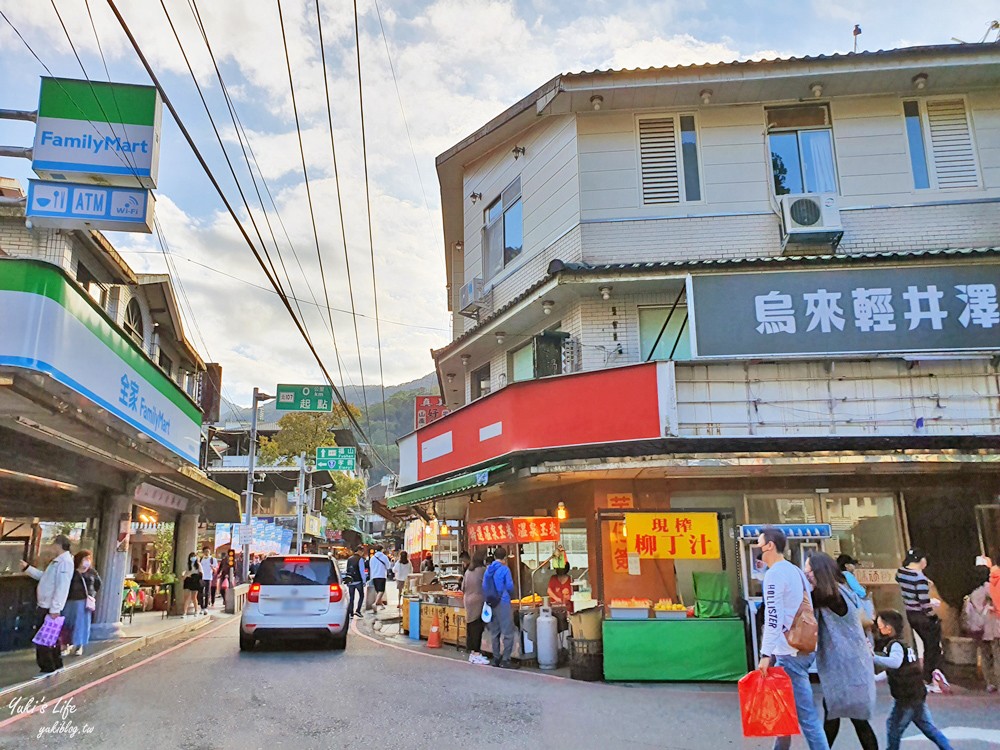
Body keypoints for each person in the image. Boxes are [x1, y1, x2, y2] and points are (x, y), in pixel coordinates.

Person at [755, 528, 830, 750]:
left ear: (769, 545)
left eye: (759, 543)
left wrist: (765, 654)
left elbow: (773, 617)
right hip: (801, 647)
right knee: (783, 712)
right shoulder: (795, 570)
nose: (758, 548)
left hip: (789, 652)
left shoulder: (775, 574)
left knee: (807, 717)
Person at [805, 552, 877, 750]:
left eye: (808, 570)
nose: (806, 573)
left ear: (819, 571)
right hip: (853, 664)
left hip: (846, 666)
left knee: (849, 718)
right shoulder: (841, 591)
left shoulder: (829, 596)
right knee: (842, 716)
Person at [874, 609, 954, 750]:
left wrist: (873, 657)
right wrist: (875, 678)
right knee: (927, 727)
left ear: (888, 628)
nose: (878, 628)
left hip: (906, 695)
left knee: (894, 726)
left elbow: (895, 663)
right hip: (915, 692)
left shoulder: (895, 645)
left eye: (880, 625)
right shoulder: (904, 645)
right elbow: (894, 669)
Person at [21, 534, 74, 675]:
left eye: (53, 545)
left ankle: (47, 666)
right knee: (50, 637)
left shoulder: (64, 563)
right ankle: (55, 664)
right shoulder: (57, 562)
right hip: (47, 605)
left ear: (58, 545)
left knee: (44, 637)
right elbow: (45, 578)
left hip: (49, 607)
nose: (51, 548)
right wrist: (28, 568)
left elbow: (62, 587)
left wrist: (55, 608)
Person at [896, 548, 946, 692]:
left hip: (911, 614)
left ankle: (928, 677)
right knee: (933, 647)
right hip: (922, 616)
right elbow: (923, 603)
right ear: (921, 560)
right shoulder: (920, 578)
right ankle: (929, 678)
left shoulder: (901, 573)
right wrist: (933, 614)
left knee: (926, 644)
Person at [484, 546, 518, 669]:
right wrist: (511, 595)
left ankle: (496, 658)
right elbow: (509, 586)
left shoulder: (488, 570)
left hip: (491, 603)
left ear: (494, 557)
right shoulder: (505, 570)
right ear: (504, 558)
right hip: (503, 602)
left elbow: (484, 586)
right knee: (508, 632)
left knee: (495, 632)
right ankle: (506, 659)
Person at [966, 563, 999, 692]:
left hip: (977, 627)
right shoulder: (989, 588)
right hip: (992, 625)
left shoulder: (973, 592)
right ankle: (998, 681)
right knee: (997, 654)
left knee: (985, 656)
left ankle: (989, 683)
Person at [63, 550, 101, 657]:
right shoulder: (72, 571)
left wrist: (91, 594)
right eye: (85, 559)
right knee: (68, 623)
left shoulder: (92, 572)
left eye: (89, 559)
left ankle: (79, 645)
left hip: (84, 602)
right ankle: (66, 644)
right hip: (70, 600)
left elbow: (98, 584)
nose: (87, 561)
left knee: (81, 624)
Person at [462, 550, 489, 665]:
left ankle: (472, 652)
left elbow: (463, 587)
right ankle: (476, 653)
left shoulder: (469, 571)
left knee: (471, 625)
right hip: (478, 601)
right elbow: (488, 585)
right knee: (477, 627)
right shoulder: (482, 571)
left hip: (467, 600)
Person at [345, 547, 367, 617]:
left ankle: (351, 613)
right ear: (359, 551)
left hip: (350, 580)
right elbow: (362, 571)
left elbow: (347, 570)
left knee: (351, 597)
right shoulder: (360, 559)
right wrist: (364, 581)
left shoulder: (349, 559)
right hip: (358, 581)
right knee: (361, 595)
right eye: (362, 551)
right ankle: (358, 610)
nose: (362, 553)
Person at [369, 545, 391, 609]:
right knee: (381, 591)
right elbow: (388, 566)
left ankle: (381, 605)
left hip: (374, 576)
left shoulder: (372, 558)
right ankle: (375, 603)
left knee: (378, 591)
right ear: (382, 550)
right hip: (382, 575)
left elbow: (371, 567)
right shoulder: (384, 557)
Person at [181, 552, 201, 617]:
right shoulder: (188, 564)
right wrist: (184, 574)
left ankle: (196, 611)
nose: (192, 558)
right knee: (186, 597)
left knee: (194, 597)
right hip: (188, 580)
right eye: (191, 557)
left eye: (194, 556)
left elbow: (201, 573)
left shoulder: (198, 564)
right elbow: (184, 571)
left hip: (195, 581)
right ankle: (184, 612)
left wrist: (194, 576)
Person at [198, 546, 217, 614]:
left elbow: (215, 570)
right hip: (201, 577)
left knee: (207, 593)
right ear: (203, 552)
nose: (207, 553)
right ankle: (201, 607)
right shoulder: (200, 559)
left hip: (208, 578)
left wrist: (212, 568)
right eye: (205, 551)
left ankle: (206, 607)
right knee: (200, 593)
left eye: (208, 551)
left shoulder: (213, 559)